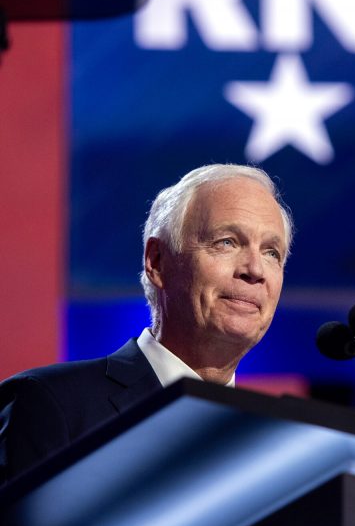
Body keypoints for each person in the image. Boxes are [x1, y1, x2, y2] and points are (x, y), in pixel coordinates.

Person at [0, 164, 293, 486]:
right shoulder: (52, 405)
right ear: (157, 261)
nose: (255, 270)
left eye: (271, 252)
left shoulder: (278, 447)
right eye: (227, 242)